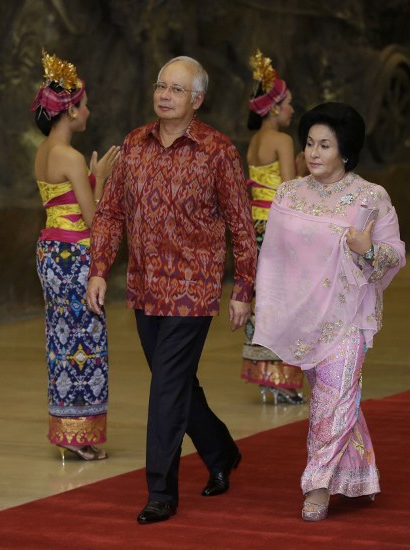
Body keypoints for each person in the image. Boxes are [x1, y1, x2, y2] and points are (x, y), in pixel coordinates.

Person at [86, 56, 257, 524]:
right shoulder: (134, 145)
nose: (164, 94)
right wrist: (99, 268)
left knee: (165, 390)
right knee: (178, 385)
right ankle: (221, 451)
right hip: (144, 288)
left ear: (196, 100)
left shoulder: (217, 151)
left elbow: (242, 226)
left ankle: (161, 491)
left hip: (192, 290)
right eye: (161, 85)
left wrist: (243, 288)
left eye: (176, 89)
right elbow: (110, 213)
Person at [253, 102, 406, 521]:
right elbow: (274, 256)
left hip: (348, 316)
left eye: (325, 145)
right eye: (309, 144)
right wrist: (266, 301)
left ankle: (317, 486)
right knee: (338, 400)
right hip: (305, 317)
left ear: (346, 151)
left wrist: (368, 249)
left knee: (332, 401)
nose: (314, 153)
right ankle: (357, 476)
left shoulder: (371, 197)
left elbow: (395, 254)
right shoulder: (289, 192)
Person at [31, 50, 119, 462]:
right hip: (73, 257)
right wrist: (101, 179)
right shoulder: (70, 155)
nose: (89, 111)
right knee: (84, 340)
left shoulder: (43, 151)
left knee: (60, 339)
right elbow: (93, 216)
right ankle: (79, 434)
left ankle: (67, 429)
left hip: (50, 254)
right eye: (84, 104)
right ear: (69, 110)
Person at [241, 50, 305, 404]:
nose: (292, 110)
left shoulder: (253, 144)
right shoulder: (282, 141)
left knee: (261, 300)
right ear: (274, 107)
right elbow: (290, 193)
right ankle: (282, 377)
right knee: (286, 300)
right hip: (278, 230)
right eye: (288, 104)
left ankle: (266, 376)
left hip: (255, 227)